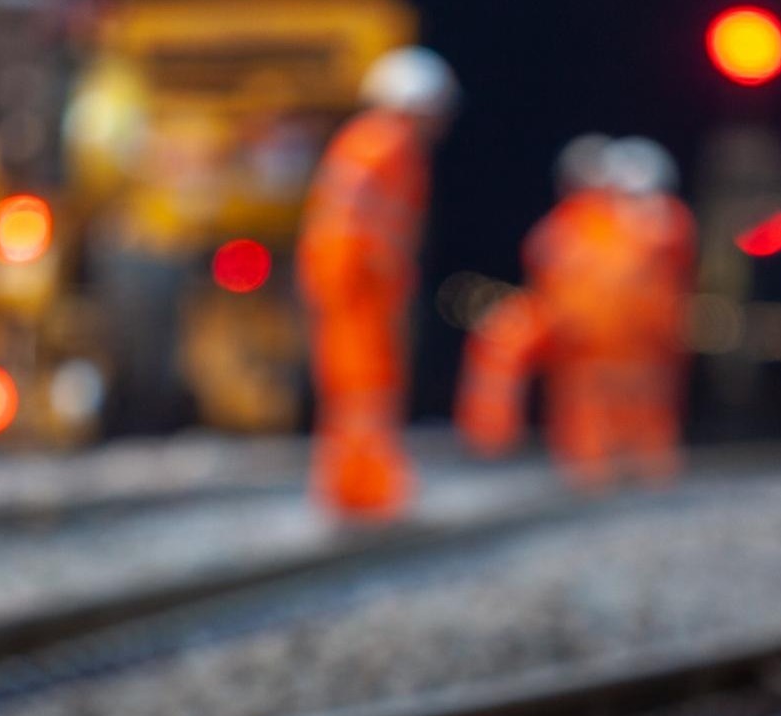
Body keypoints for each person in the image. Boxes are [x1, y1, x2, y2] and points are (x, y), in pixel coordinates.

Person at [458, 136, 696, 489]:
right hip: (590, 336)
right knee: (592, 408)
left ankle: (633, 468)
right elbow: (545, 260)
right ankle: (504, 442)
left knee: (634, 409)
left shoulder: (651, 222)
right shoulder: (586, 222)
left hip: (631, 338)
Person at [297, 46, 458, 521]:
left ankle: (353, 487)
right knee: (366, 388)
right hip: (358, 290)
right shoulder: (383, 145)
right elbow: (360, 227)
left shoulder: (370, 143)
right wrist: (375, 281)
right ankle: (367, 489)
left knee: (354, 391)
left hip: (353, 287)